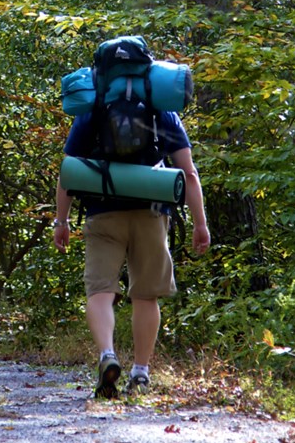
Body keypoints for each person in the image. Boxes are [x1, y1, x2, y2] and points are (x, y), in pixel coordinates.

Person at [53, 108, 210, 398]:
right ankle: (140, 373)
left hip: (103, 211)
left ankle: (107, 355)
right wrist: (200, 223)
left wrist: (61, 221)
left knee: (100, 291)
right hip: (151, 211)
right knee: (146, 294)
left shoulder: (94, 106)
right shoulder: (161, 108)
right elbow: (188, 172)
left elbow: (68, 170)